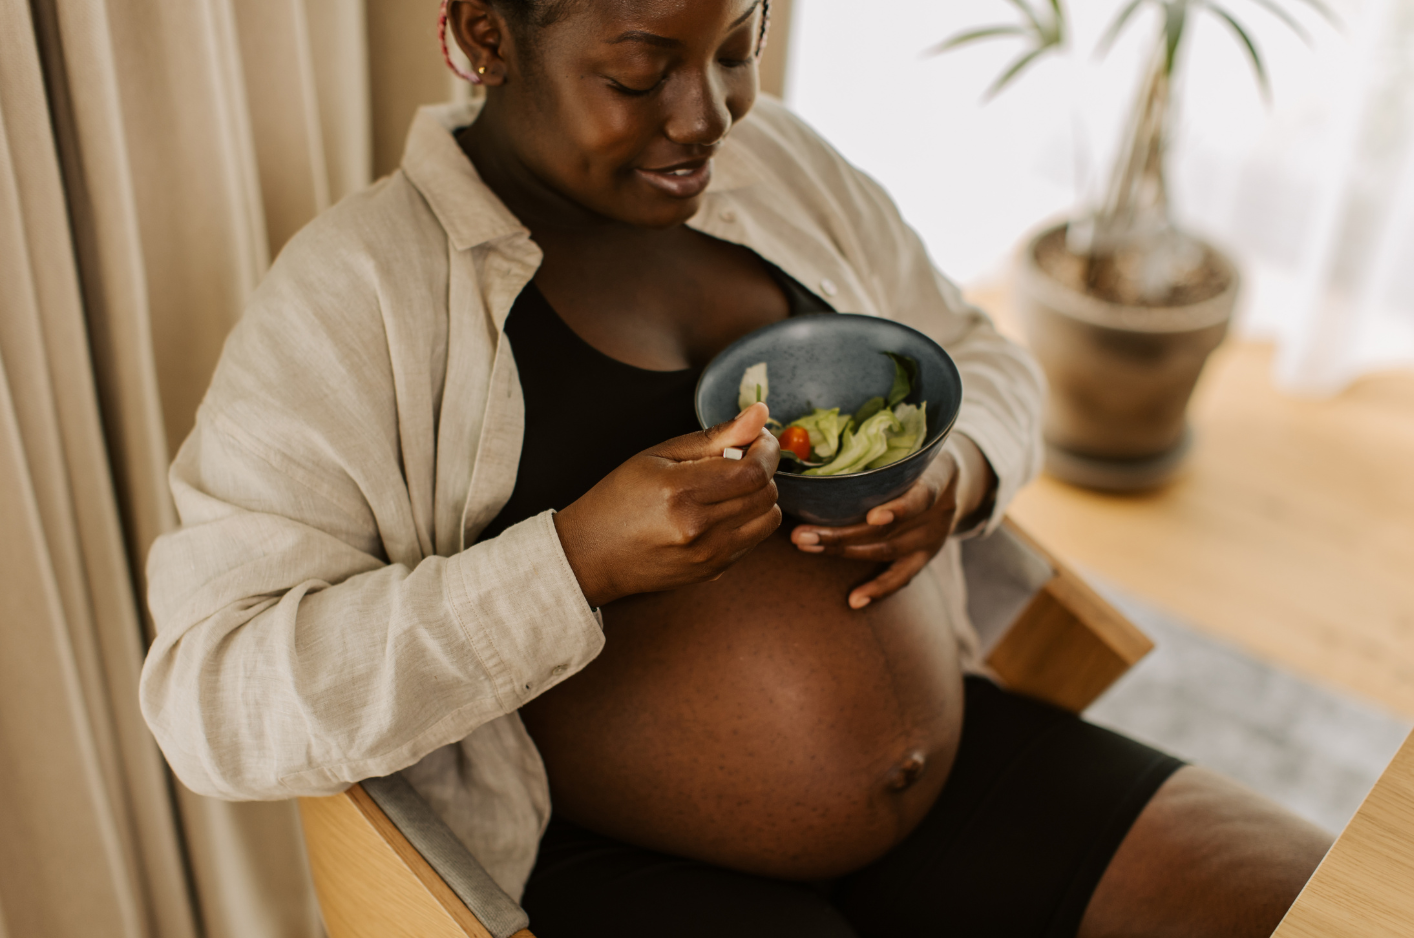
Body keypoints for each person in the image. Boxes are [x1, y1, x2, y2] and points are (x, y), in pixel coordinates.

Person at [139, 0, 1332, 935]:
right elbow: (211, 694)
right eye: (640, 69)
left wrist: (957, 472)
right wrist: (575, 562)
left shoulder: (777, 173)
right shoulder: (358, 295)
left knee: (1321, 900)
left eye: (737, 48)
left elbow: (977, 353)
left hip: (957, 768)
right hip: (620, 865)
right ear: (483, 36)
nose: (706, 117)